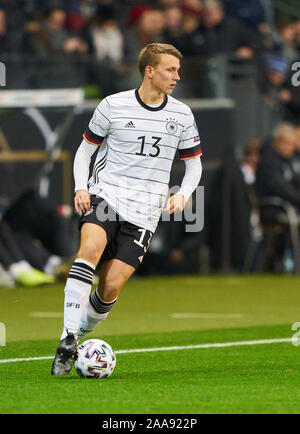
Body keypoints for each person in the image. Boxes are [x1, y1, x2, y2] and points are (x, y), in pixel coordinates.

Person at [51, 42, 203, 375]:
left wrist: (183, 193)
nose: (176, 76)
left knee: (111, 287)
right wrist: (80, 187)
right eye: (170, 70)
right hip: (107, 196)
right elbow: (84, 151)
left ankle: (79, 336)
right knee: (89, 250)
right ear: (150, 71)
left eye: (177, 70)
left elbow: (194, 165)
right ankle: (67, 336)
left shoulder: (182, 114)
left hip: (145, 211)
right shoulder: (113, 105)